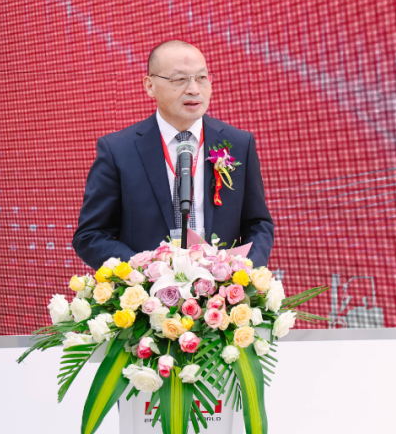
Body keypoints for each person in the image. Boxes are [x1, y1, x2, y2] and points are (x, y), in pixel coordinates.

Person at [73, 40, 274, 270]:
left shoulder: (239, 143)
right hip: (149, 290)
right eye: (180, 79)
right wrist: (146, 272)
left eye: (202, 78)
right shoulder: (118, 150)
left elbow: (258, 223)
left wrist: (243, 272)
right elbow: (90, 235)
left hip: (222, 289)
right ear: (150, 86)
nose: (194, 89)